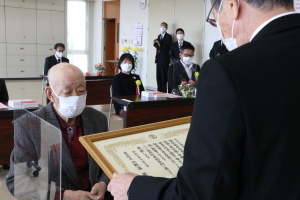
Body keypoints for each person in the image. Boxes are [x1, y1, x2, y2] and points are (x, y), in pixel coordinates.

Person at [107, 0, 300, 199]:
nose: (223, 34)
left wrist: (134, 187)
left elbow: (200, 192)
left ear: (232, 5)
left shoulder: (227, 70)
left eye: (216, 22)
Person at [7, 63, 113, 200]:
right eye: (67, 92)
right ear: (50, 93)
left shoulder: (98, 119)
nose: (76, 97)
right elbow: (18, 181)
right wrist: (64, 195)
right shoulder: (28, 125)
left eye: (81, 91)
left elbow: (108, 160)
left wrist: (103, 182)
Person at [154, 22, 172, 92]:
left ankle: (164, 91)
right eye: (161, 26)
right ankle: (159, 90)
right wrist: (155, 43)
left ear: (167, 28)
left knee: (163, 76)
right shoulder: (159, 36)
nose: (162, 28)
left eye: (163, 26)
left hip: (164, 59)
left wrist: (160, 45)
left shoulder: (169, 37)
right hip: (158, 59)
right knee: (158, 76)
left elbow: (168, 48)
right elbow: (157, 46)